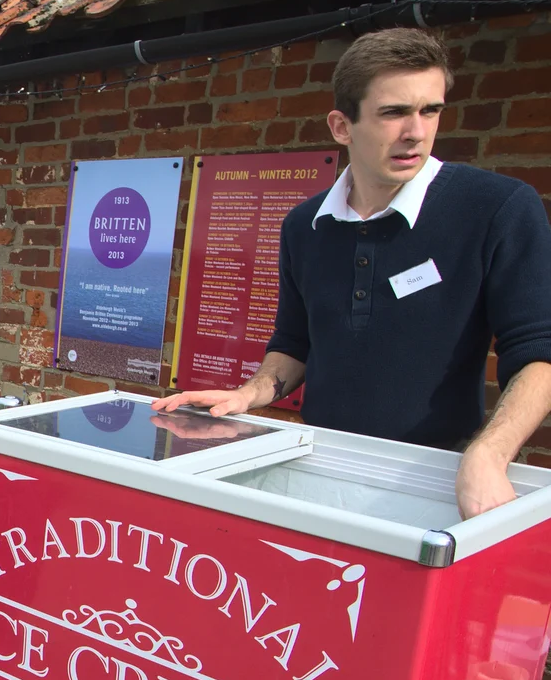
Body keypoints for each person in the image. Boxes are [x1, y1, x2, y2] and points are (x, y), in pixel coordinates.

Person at [154, 28, 551, 520]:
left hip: (434, 480)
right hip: (316, 466)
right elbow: (295, 341)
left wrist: (490, 454)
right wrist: (248, 394)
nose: (416, 131)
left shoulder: (498, 208)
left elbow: (539, 351)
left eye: (431, 110)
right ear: (342, 126)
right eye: (393, 112)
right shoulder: (305, 224)